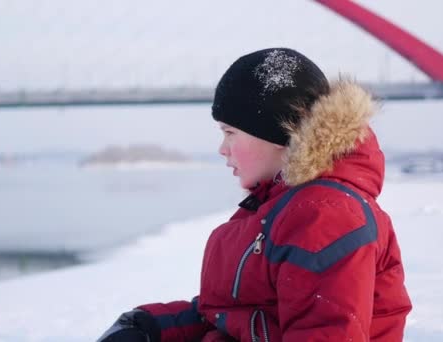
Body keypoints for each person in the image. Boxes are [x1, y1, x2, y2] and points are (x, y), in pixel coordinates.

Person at [97, 48, 412, 341]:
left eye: (230, 133)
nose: (223, 149)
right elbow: (239, 312)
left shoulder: (325, 216)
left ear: (278, 133)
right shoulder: (279, 205)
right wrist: (152, 326)